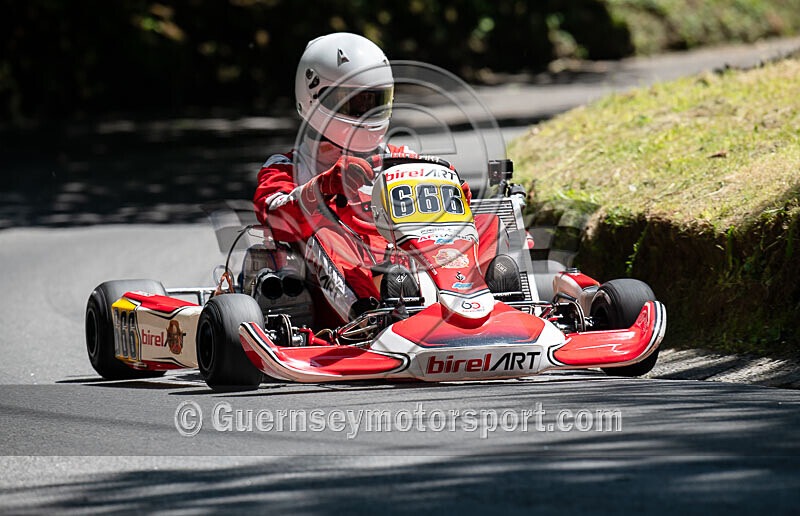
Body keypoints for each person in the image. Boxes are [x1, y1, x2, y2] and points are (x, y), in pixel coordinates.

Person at [254, 33, 501, 323]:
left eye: (376, 101)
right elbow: (274, 215)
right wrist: (324, 186)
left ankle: (493, 304)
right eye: (356, 103)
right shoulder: (288, 167)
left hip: (409, 259)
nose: (367, 112)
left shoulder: (401, 156)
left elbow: (453, 211)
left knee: (489, 219)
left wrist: (450, 187)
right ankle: (371, 319)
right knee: (324, 234)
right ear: (315, 98)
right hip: (340, 283)